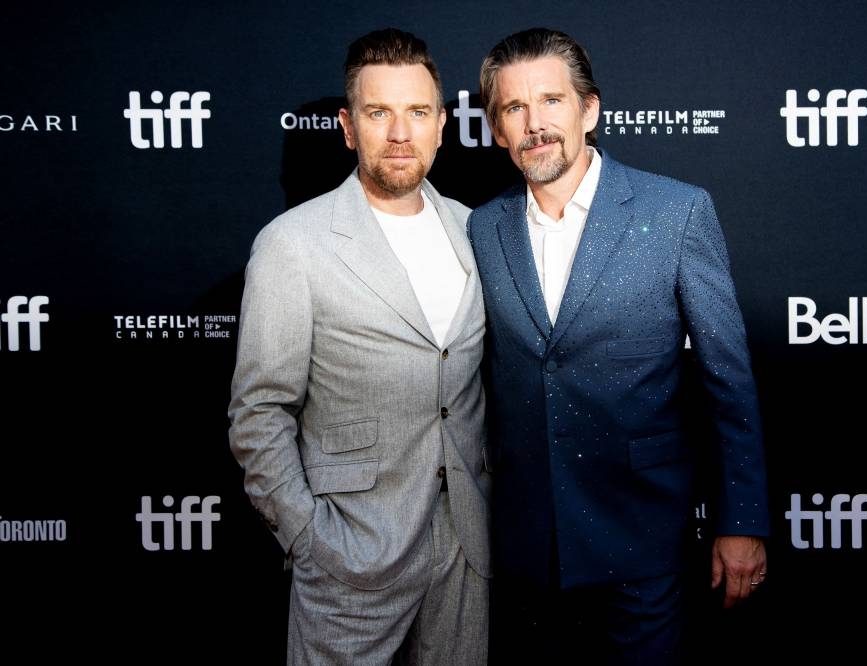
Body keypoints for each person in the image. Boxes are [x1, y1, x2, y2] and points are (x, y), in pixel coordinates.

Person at [468, 27, 769, 663]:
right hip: (528, 546)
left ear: (590, 109)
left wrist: (740, 519)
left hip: (643, 535)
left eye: (551, 101)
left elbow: (728, 381)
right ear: (496, 128)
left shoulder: (677, 213)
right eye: (514, 108)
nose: (535, 123)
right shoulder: (482, 227)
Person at [228, 28, 490, 666]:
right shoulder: (293, 244)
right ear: (349, 128)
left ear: (440, 125)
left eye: (417, 112)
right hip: (350, 557)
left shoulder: (475, 229)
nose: (400, 132)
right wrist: (309, 538)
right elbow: (259, 412)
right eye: (379, 113)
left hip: (466, 552)